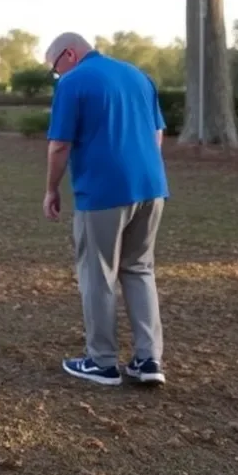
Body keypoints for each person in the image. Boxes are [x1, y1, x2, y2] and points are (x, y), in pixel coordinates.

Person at [43, 32, 168, 388]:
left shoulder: (74, 82)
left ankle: (102, 361)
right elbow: (157, 135)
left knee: (98, 274)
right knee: (140, 268)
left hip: (103, 190)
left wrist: (51, 188)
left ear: (69, 54)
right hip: (151, 187)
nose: (56, 75)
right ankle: (148, 359)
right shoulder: (138, 76)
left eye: (55, 68)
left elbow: (59, 146)